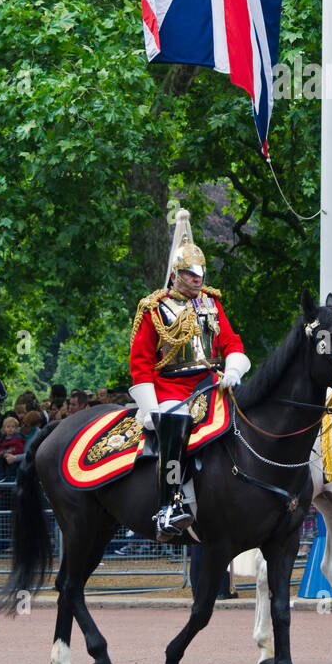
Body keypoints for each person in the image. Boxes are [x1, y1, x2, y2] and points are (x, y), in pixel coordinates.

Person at [129, 208, 250, 540]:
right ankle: (169, 505)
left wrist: (234, 369)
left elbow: (231, 341)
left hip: (209, 382)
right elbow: (139, 362)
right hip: (169, 387)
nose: (198, 279)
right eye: (191, 274)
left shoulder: (211, 304)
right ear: (175, 274)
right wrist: (151, 405)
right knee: (175, 424)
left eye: (201, 273)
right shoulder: (154, 309)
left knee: (248, 413)